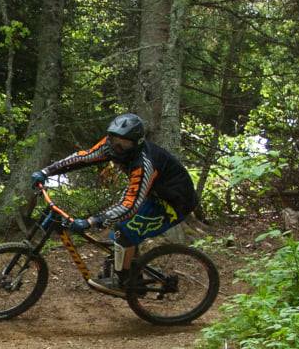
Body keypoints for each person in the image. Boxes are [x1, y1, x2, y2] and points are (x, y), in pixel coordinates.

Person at [29, 112, 198, 290]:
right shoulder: (110, 145)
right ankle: (132, 269)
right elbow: (83, 157)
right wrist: (46, 171)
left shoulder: (144, 164)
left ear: (136, 143)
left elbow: (129, 206)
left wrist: (90, 221)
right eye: (113, 138)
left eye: (123, 142)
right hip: (154, 193)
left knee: (124, 231)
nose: (117, 145)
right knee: (120, 227)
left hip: (175, 203)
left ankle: (125, 280)